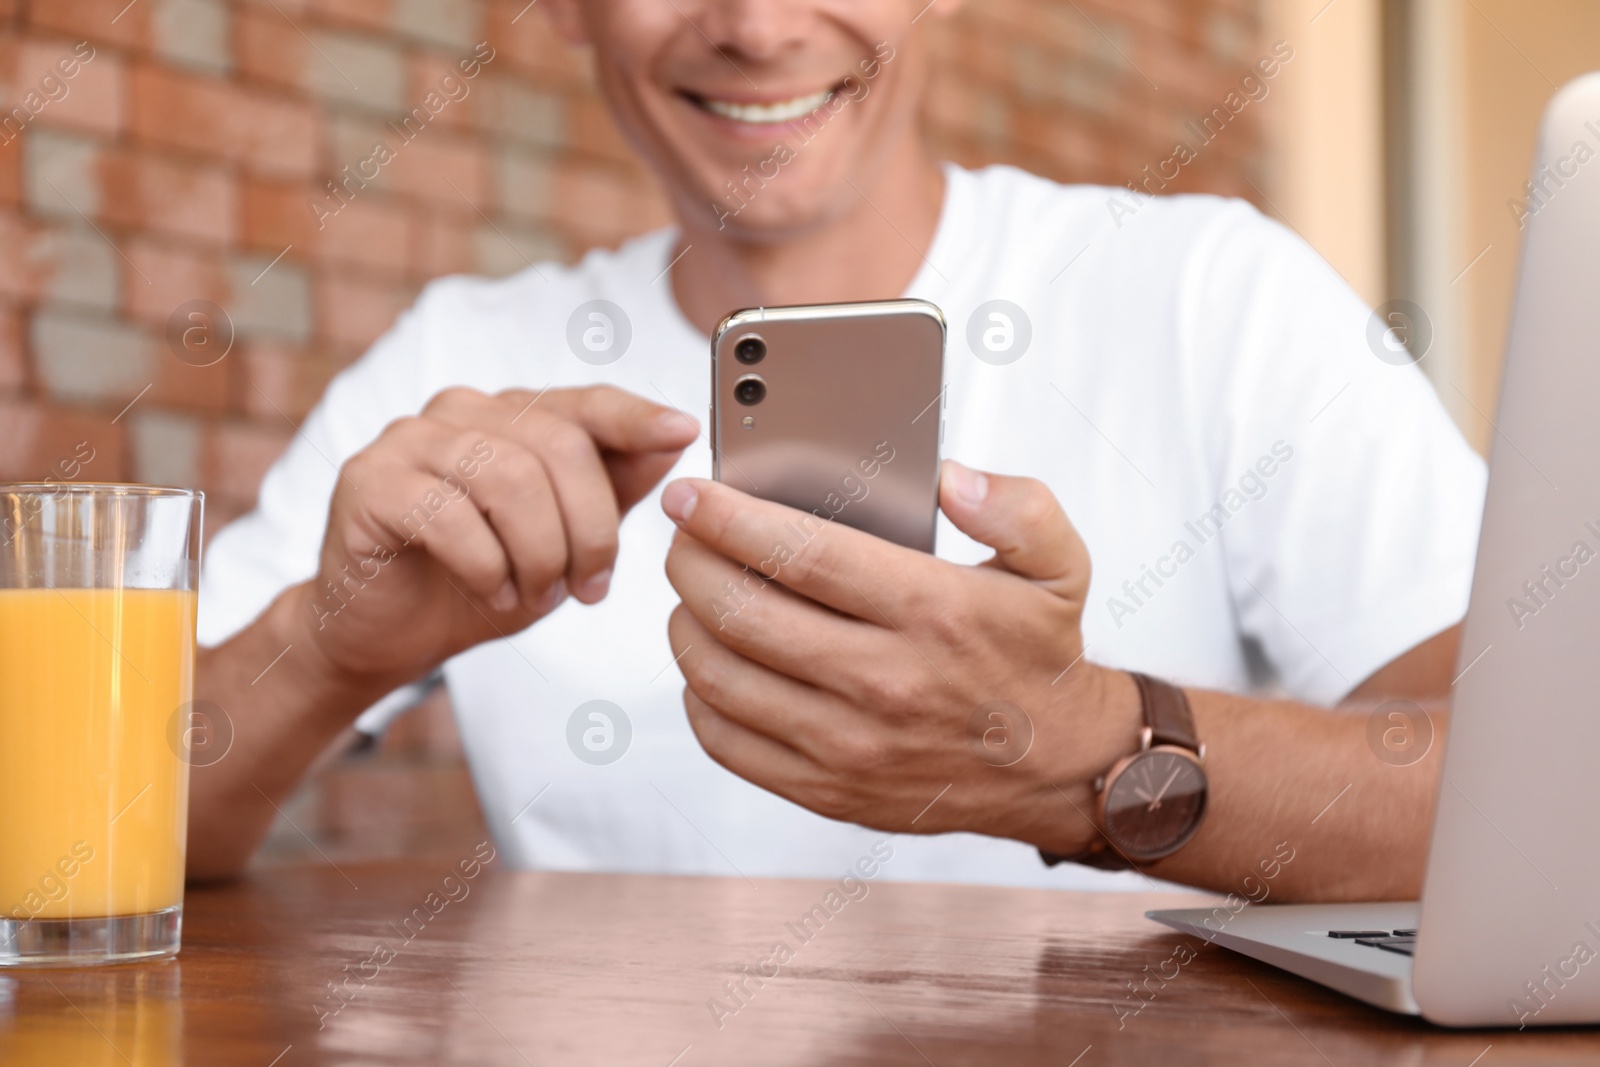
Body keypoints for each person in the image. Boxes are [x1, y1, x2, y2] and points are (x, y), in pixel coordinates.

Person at [189, 0, 1483, 900]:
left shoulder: (1212, 294)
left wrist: (1085, 753)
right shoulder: (457, 363)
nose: (757, 26)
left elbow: (1533, 804)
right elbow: (83, 844)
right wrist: (330, 644)